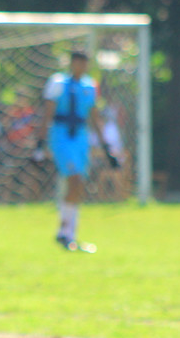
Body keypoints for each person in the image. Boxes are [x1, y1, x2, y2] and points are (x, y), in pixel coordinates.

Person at [35, 51, 119, 252]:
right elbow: (47, 113)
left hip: (81, 137)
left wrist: (106, 147)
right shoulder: (58, 83)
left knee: (79, 183)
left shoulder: (90, 86)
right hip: (62, 134)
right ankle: (65, 233)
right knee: (74, 179)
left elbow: (94, 116)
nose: (80, 66)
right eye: (77, 62)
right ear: (71, 63)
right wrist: (39, 144)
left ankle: (69, 233)